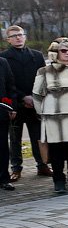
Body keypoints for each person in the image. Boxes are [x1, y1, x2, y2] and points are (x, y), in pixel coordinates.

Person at [31, 37, 68, 194]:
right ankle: (58, 180)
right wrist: (44, 114)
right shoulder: (45, 71)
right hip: (54, 119)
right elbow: (37, 96)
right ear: (55, 53)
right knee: (56, 152)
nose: (67, 53)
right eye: (63, 50)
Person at [1, 25, 51, 181]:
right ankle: (16, 168)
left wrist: (35, 97)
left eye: (20, 34)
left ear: (25, 36)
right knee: (15, 138)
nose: (18, 37)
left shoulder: (36, 56)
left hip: (35, 103)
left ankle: (42, 165)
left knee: (38, 136)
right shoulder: (4, 58)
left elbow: (43, 78)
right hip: (16, 104)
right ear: (8, 39)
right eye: (14, 35)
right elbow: (8, 83)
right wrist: (23, 97)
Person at [0, 56, 16, 191]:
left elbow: (10, 86)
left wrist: (10, 106)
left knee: (2, 147)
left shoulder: (3, 62)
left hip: (1, 113)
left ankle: (4, 179)